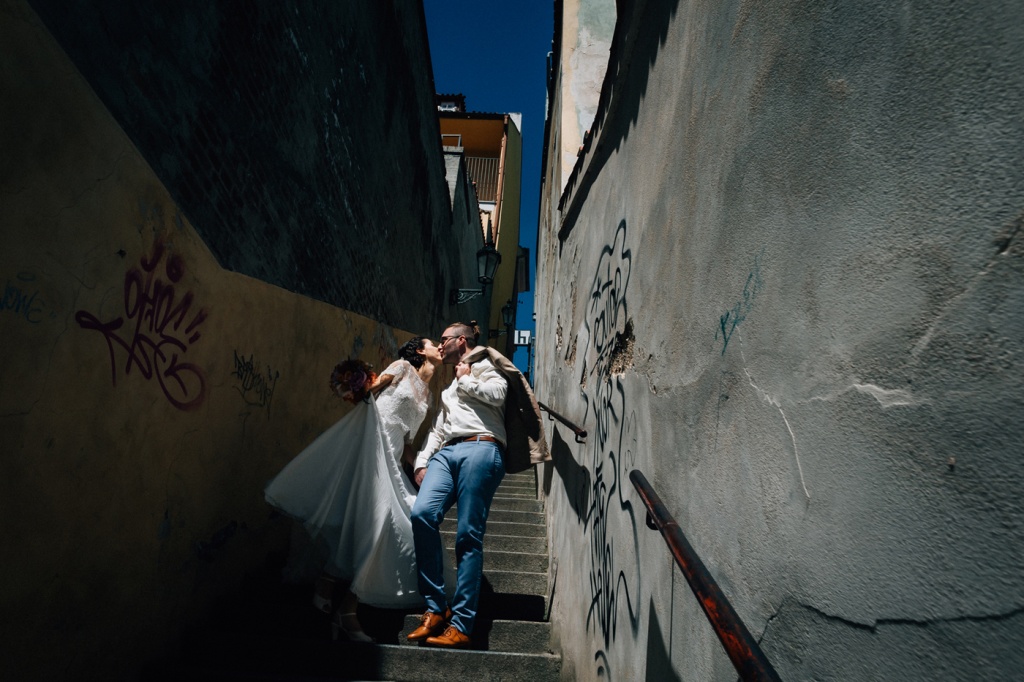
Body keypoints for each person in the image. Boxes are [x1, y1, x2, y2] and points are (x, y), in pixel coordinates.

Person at [264, 336, 442, 642]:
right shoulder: (401, 366)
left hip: (393, 462)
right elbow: (369, 394)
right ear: (419, 351)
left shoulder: (428, 393)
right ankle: (344, 607)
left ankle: (335, 594)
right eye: (433, 343)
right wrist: (354, 383)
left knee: (396, 525)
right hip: (370, 452)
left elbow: (407, 442)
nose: (439, 346)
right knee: (378, 525)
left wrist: (421, 469)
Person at [407, 321, 549, 649]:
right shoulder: (450, 386)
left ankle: (462, 623)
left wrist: (466, 379)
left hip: (482, 447)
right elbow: (439, 427)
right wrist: (422, 461)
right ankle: (435, 607)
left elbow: (498, 395)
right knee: (422, 514)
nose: (439, 346)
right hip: (446, 453)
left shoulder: (486, 365)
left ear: (461, 341)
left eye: (444, 340)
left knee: (467, 535)